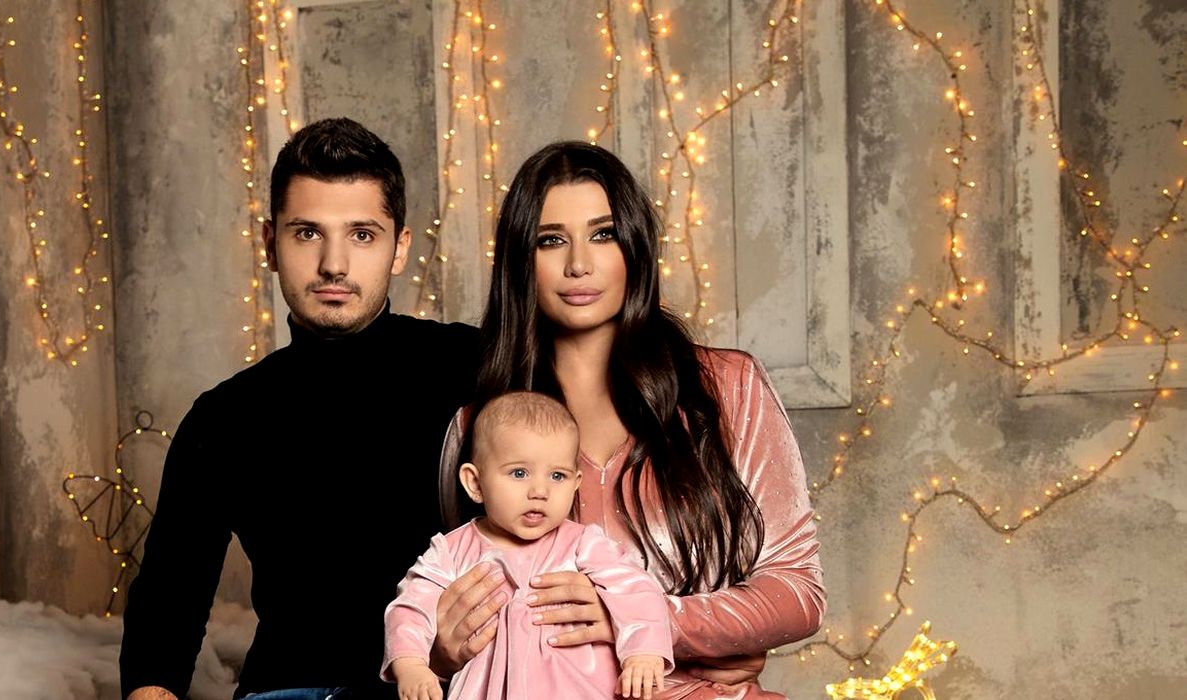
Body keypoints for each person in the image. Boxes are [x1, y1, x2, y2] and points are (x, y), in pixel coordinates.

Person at [432, 141, 825, 699]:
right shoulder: (478, 427)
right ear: (521, 260)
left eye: (603, 234)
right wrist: (440, 652)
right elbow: (463, 617)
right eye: (550, 240)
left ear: (635, 246)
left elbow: (798, 590)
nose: (579, 264)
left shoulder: (726, 386)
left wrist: (658, 623)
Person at [119, 118, 479, 699]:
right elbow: (170, 598)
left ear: (400, 248)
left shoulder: (471, 367)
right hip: (287, 690)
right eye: (308, 233)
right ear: (270, 244)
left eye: (362, 234)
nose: (334, 264)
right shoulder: (224, 417)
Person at [383, 391, 672, 700]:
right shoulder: (451, 552)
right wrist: (411, 664)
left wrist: (643, 652)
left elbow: (636, 590)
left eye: (557, 476)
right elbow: (411, 608)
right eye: (519, 473)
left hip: (578, 690)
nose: (540, 491)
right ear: (475, 483)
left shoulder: (583, 544)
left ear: (575, 484)